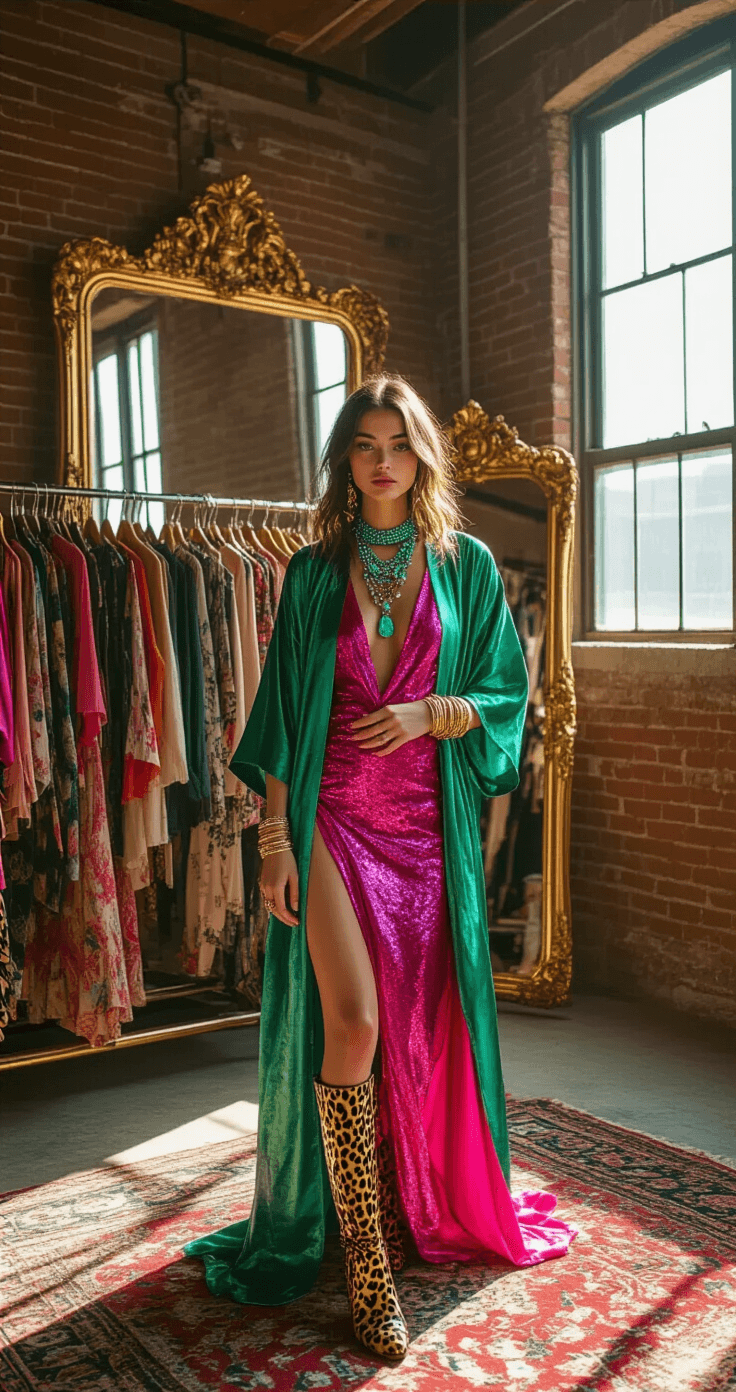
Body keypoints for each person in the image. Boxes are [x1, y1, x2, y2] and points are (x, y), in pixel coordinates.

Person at [184, 374, 576, 1361]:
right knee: (353, 1019)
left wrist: (428, 713)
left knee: (416, 1025)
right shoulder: (313, 572)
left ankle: (412, 1194)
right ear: (344, 461)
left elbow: (503, 693)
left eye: (398, 443)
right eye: (364, 443)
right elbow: (282, 716)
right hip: (330, 820)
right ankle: (365, 1263)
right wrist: (274, 841)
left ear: (421, 455)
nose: (383, 460)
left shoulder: (465, 565)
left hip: (427, 834)